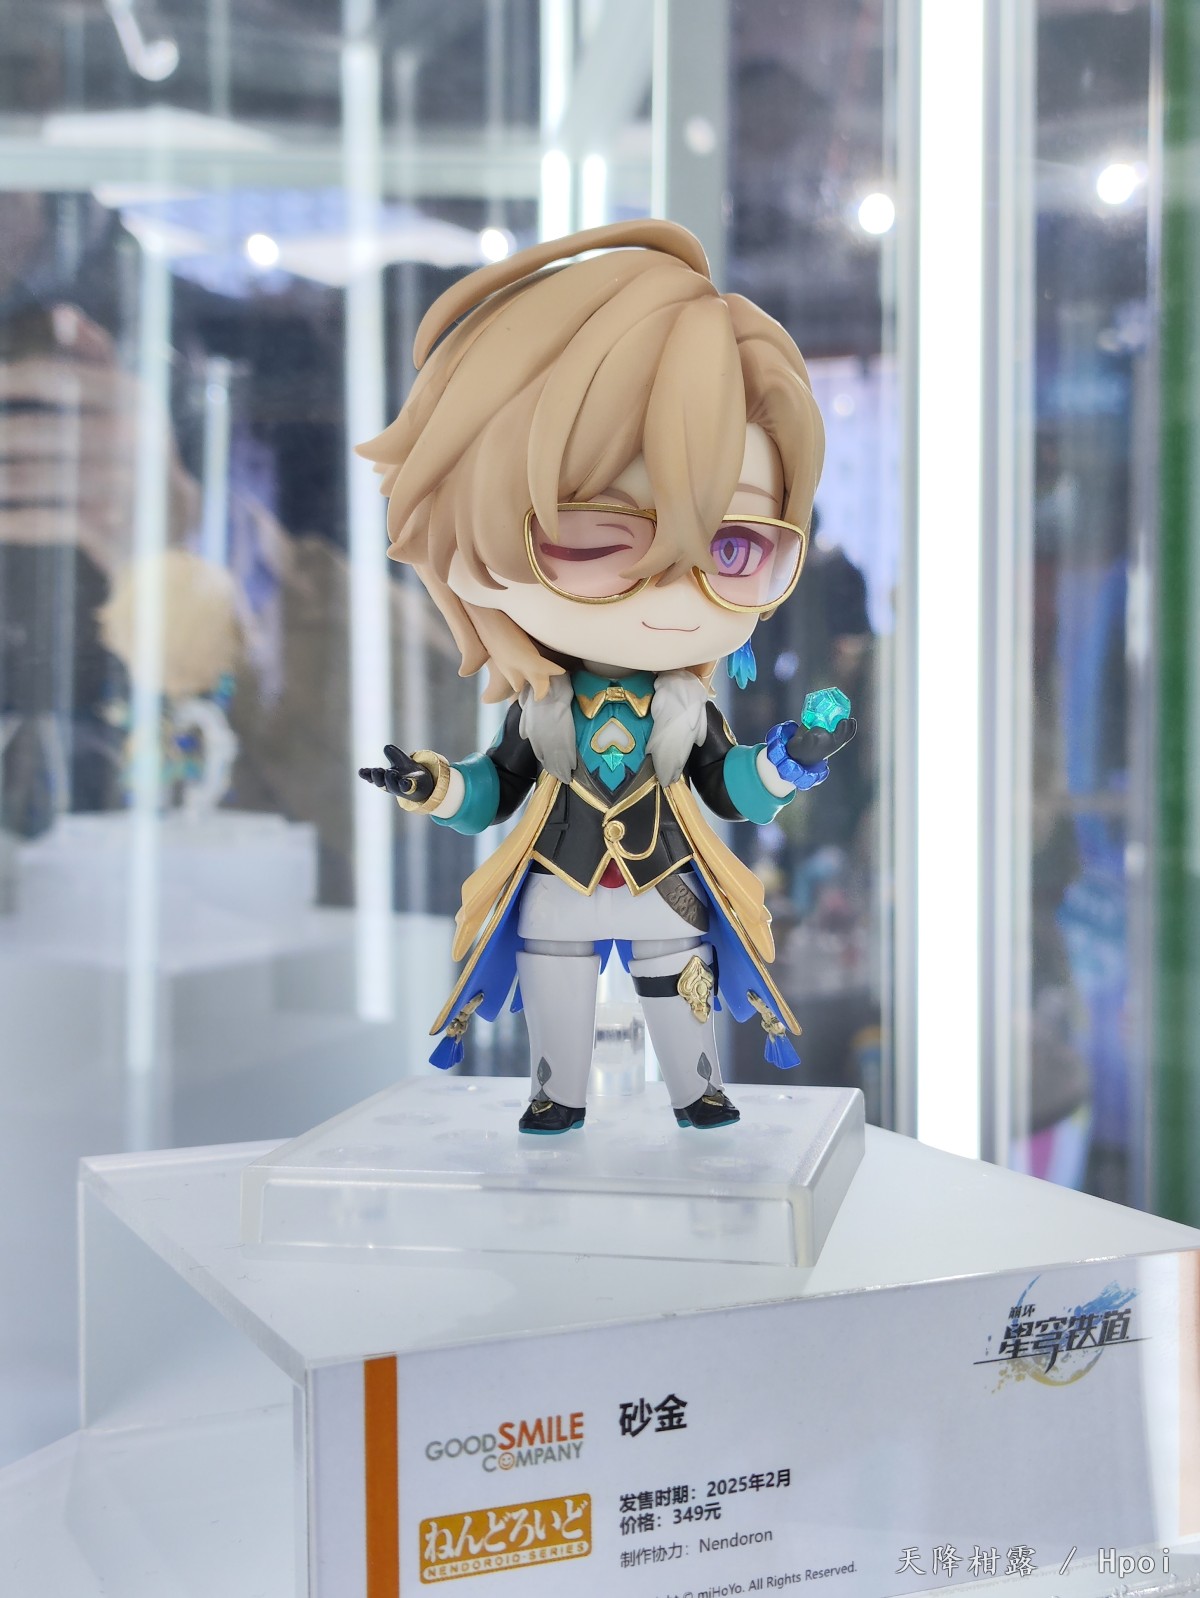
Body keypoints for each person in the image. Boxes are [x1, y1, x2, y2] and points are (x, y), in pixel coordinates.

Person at [358, 220, 855, 1134]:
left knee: (680, 984)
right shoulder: (543, 705)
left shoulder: (685, 704)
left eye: (734, 548)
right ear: (473, 542)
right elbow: (494, 788)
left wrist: (790, 759)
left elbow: (728, 785)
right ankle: (558, 1092)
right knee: (556, 992)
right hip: (558, 879)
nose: (671, 588)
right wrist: (432, 785)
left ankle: (697, 1089)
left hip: (667, 882)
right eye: (593, 537)